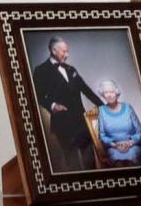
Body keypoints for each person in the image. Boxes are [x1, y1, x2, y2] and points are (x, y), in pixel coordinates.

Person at [32, 36, 103, 172]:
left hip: (81, 122)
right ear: (54, 50)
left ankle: (94, 188)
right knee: (72, 162)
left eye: (67, 51)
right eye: (64, 51)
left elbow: (86, 89)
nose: (67, 55)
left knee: (90, 160)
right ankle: (79, 191)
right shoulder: (41, 70)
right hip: (62, 123)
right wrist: (52, 105)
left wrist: (103, 106)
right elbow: (37, 95)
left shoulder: (71, 69)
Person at [95, 79, 141, 165]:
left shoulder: (128, 108)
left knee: (132, 161)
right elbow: (102, 136)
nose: (109, 95)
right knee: (118, 163)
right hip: (114, 148)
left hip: (133, 146)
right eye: (106, 92)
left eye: (111, 92)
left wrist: (130, 143)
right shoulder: (101, 111)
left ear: (116, 92)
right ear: (103, 95)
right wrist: (115, 145)